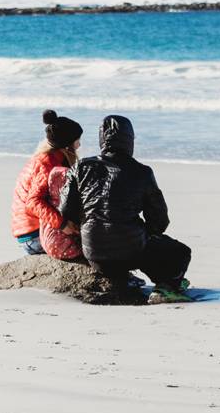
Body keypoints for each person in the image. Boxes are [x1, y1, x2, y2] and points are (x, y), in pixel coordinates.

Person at [58, 114, 193, 302]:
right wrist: (147, 233)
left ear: (101, 139)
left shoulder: (80, 167)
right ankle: (166, 287)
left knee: (134, 245)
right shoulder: (142, 172)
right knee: (181, 252)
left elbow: (65, 210)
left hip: (93, 252)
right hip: (131, 251)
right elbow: (160, 220)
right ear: (129, 140)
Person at [10, 109, 85, 260]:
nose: (79, 144)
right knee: (93, 245)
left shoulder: (48, 158)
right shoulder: (48, 165)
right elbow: (33, 202)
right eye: (77, 140)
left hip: (28, 231)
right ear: (67, 145)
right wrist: (62, 224)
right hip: (32, 236)